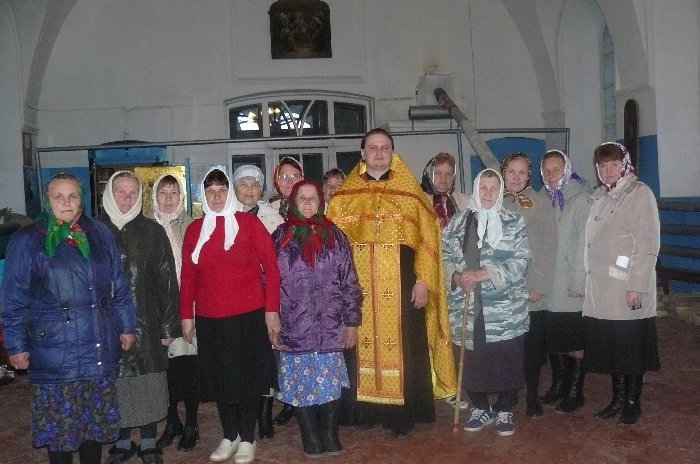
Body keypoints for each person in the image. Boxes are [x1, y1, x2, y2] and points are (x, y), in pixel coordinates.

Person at [326, 128, 455, 438]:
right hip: (359, 289)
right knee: (357, 345)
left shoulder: (411, 193)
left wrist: (423, 280)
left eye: (385, 147)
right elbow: (334, 249)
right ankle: (363, 411)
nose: (379, 152)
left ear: (393, 153)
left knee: (405, 347)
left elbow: (427, 241)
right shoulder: (344, 198)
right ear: (363, 154)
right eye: (373, 147)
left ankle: (401, 414)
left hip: (402, 285)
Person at [1, 173, 137, 464]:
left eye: (72, 196)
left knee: (92, 428)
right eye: (58, 196)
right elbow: (13, 298)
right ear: (47, 201)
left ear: (81, 200)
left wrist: (126, 326)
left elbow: (119, 285)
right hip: (53, 350)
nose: (66, 202)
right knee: (59, 431)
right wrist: (15, 345)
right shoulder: (28, 240)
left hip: (96, 343)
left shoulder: (99, 233)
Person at [180, 168, 279, 463]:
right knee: (220, 381)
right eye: (210, 190)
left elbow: (272, 270)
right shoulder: (195, 230)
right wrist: (186, 315)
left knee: (247, 381)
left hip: (247, 317)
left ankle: (248, 438)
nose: (216, 195)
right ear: (203, 196)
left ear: (230, 193)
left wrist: (271, 311)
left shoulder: (248, 224)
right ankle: (230, 434)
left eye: (222, 189)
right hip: (210, 319)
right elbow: (188, 277)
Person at [272, 179, 362, 457]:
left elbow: (350, 283)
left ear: (321, 202)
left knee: (329, 384)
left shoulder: (336, 237)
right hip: (293, 326)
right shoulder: (280, 238)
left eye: (314, 198)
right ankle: (310, 436)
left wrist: (352, 323)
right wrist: (272, 319)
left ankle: (329, 433)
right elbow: (268, 283)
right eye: (303, 198)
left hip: (330, 326)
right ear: (293, 202)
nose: (309, 203)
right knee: (301, 385)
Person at [99, 171, 180, 464]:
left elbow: (167, 279)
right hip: (105, 326)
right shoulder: (94, 231)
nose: (127, 197)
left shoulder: (152, 231)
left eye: (133, 192)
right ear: (109, 193)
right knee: (115, 384)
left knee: (147, 383)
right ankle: (121, 441)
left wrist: (170, 325)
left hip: (147, 321)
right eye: (121, 191)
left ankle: (147, 441)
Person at [442, 168, 531, 436]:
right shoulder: (457, 223)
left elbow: (522, 261)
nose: (489, 193)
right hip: (467, 306)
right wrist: (456, 277)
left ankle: (505, 408)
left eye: (494, 188)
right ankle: (480, 407)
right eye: (484, 188)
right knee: (471, 360)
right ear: (476, 190)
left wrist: (487, 273)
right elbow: (443, 257)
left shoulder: (514, 221)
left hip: (504, 309)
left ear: (501, 190)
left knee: (506, 358)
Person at [583, 142, 660, 426]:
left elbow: (647, 242)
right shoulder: (601, 197)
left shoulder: (639, 194)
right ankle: (616, 399)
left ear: (624, 164)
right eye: (602, 165)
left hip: (626, 288)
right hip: (604, 288)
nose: (607, 170)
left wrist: (636, 286)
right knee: (615, 347)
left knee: (630, 347)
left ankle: (631, 402)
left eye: (614, 164)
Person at [500, 153, 557, 417]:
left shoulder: (540, 202)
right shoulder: (493, 200)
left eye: (522, 172)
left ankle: (532, 395)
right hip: (501, 289)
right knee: (506, 345)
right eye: (511, 171)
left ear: (529, 176)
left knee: (532, 347)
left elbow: (548, 245)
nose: (516, 177)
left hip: (530, 288)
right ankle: (507, 394)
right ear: (503, 173)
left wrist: (539, 285)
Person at [231, 164, 283, 439]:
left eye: (254, 184)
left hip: (268, 297)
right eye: (243, 184)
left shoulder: (274, 219)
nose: (249, 189)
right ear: (235, 188)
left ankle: (264, 411)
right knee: (241, 356)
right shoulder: (224, 217)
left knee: (267, 357)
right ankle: (243, 412)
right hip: (237, 298)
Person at [148, 175, 199, 452]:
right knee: (165, 370)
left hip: (187, 307)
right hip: (157, 310)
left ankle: (191, 422)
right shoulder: (146, 227)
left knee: (187, 367)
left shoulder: (192, 225)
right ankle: (172, 421)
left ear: (181, 196)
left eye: (173, 192)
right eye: (163, 192)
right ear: (154, 196)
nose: (168, 198)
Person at [539, 150, 592, 413]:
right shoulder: (541, 199)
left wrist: (578, 282)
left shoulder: (581, 199)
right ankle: (559, 385)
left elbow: (584, 243)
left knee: (575, 339)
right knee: (555, 337)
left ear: (567, 169)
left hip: (571, 283)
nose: (550, 175)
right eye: (546, 170)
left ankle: (574, 390)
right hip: (549, 283)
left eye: (556, 169)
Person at [420, 152, 469, 230]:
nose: (443, 179)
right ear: (429, 175)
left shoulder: (464, 202)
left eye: (448, 174)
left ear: (453, 176)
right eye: (438, 173)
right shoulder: (418, 201)